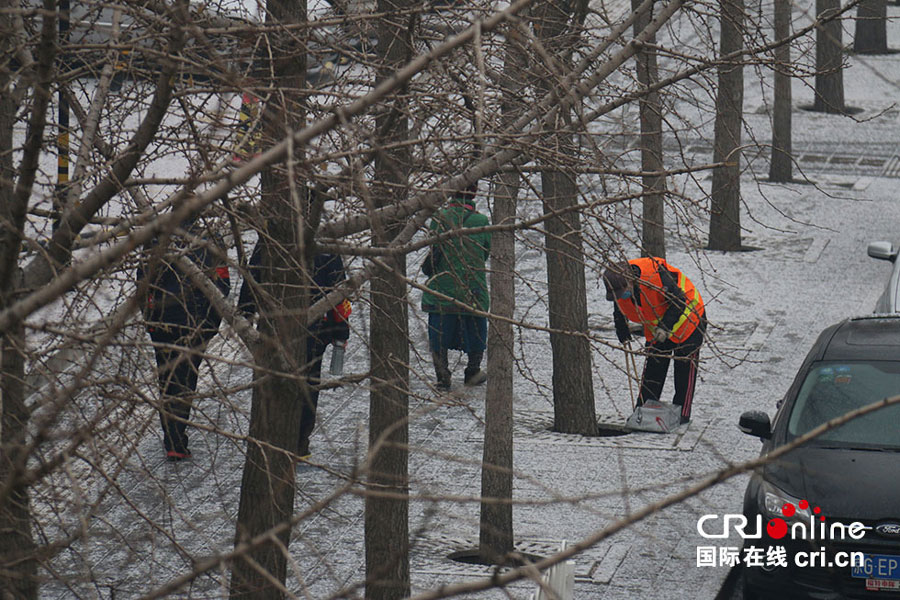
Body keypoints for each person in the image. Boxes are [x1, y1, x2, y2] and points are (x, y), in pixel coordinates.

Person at [237, 241, 351, 460]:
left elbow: (253, 280)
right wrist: (340, 331)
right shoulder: (325, 242)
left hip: (274, 328)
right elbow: (338, 292)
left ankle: (272, 440)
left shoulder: (271, 240)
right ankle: (300, 443)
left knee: (273, 381)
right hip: (316, 328)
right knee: (308, 385)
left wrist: (246, 314)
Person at [138, 221, 230, 461]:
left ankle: (172, 437)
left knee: (167, 379)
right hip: (197, 323)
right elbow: (222, 285)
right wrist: (212, 319)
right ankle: (176, 438)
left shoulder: (157, 237)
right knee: (186, 378)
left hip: (162, 323)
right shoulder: (211, 239)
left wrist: (149, 316)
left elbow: (142, 282)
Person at [602, 257, 706, 424]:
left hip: (690, 320)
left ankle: (682, 416)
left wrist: (664, 328)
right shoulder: (619, 283)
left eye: (622, 293)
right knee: (653, 368)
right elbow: (619, 303)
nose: (620, 297)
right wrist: (621, 328)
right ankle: (642, 412)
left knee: (684, 370)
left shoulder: (656, 276)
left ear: (630, 281)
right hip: (659, 326)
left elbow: (679, 302)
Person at [421, 184, 491, 390]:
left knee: (439, 334)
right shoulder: (481, 222)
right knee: (476, 328)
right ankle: (473, 371)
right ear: (474, 193)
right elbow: (485, 253)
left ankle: (442, 377)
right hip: (472, 289)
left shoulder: (439, 219)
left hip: (441, 288)